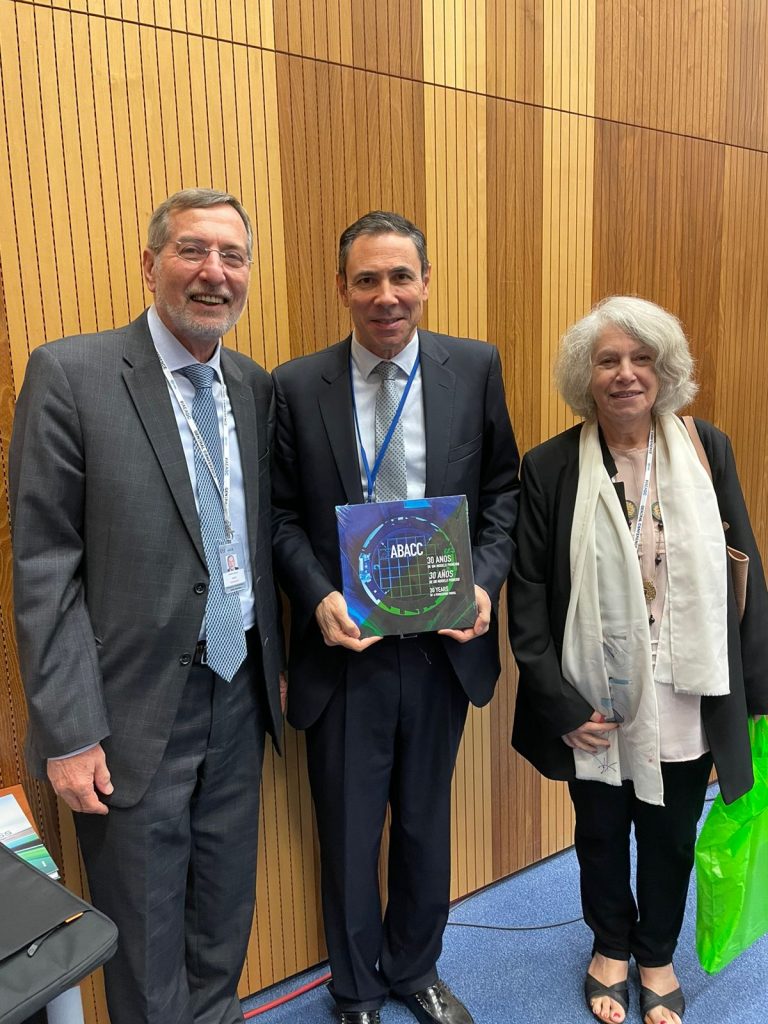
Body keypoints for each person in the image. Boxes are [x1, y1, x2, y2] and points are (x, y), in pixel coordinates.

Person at [9, 188, 284, 1024]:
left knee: (224, 910)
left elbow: (254, 539)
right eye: (192, 250)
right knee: (144, 928)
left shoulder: (252, 386)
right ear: (150, 263)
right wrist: (70, 730)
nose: (214, 272)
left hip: (238, 692)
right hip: (127, 710)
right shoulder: (72, 374)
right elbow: (44, 565)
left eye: (232, 256)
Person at [271, 211, 519, 1024]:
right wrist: (318, 594)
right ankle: (355, 989)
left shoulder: (473, 367)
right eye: (368, 279)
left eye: (401, 276)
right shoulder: (295, 385)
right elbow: (279, 517)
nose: (387, 295)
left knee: (423, 822)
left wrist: (484, 583)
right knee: (349, 833)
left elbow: (503, 493)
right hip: (347, 650)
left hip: (442, 643)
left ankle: (416, 968)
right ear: (343, 288)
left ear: (426, 281)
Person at [508, 295, 768, 1024]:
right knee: (600, 831)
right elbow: (527, 595)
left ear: (666, 369)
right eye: (608, 360)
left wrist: (756, 694)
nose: (626, 373)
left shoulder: (706, 447)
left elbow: (743, 564)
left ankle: (655, 952)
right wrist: (561, 704)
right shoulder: (551, 465)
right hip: (592, 693)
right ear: (585, 376)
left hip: (685, 688)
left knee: (670, 834)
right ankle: (609, 948)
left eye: (642, 358)